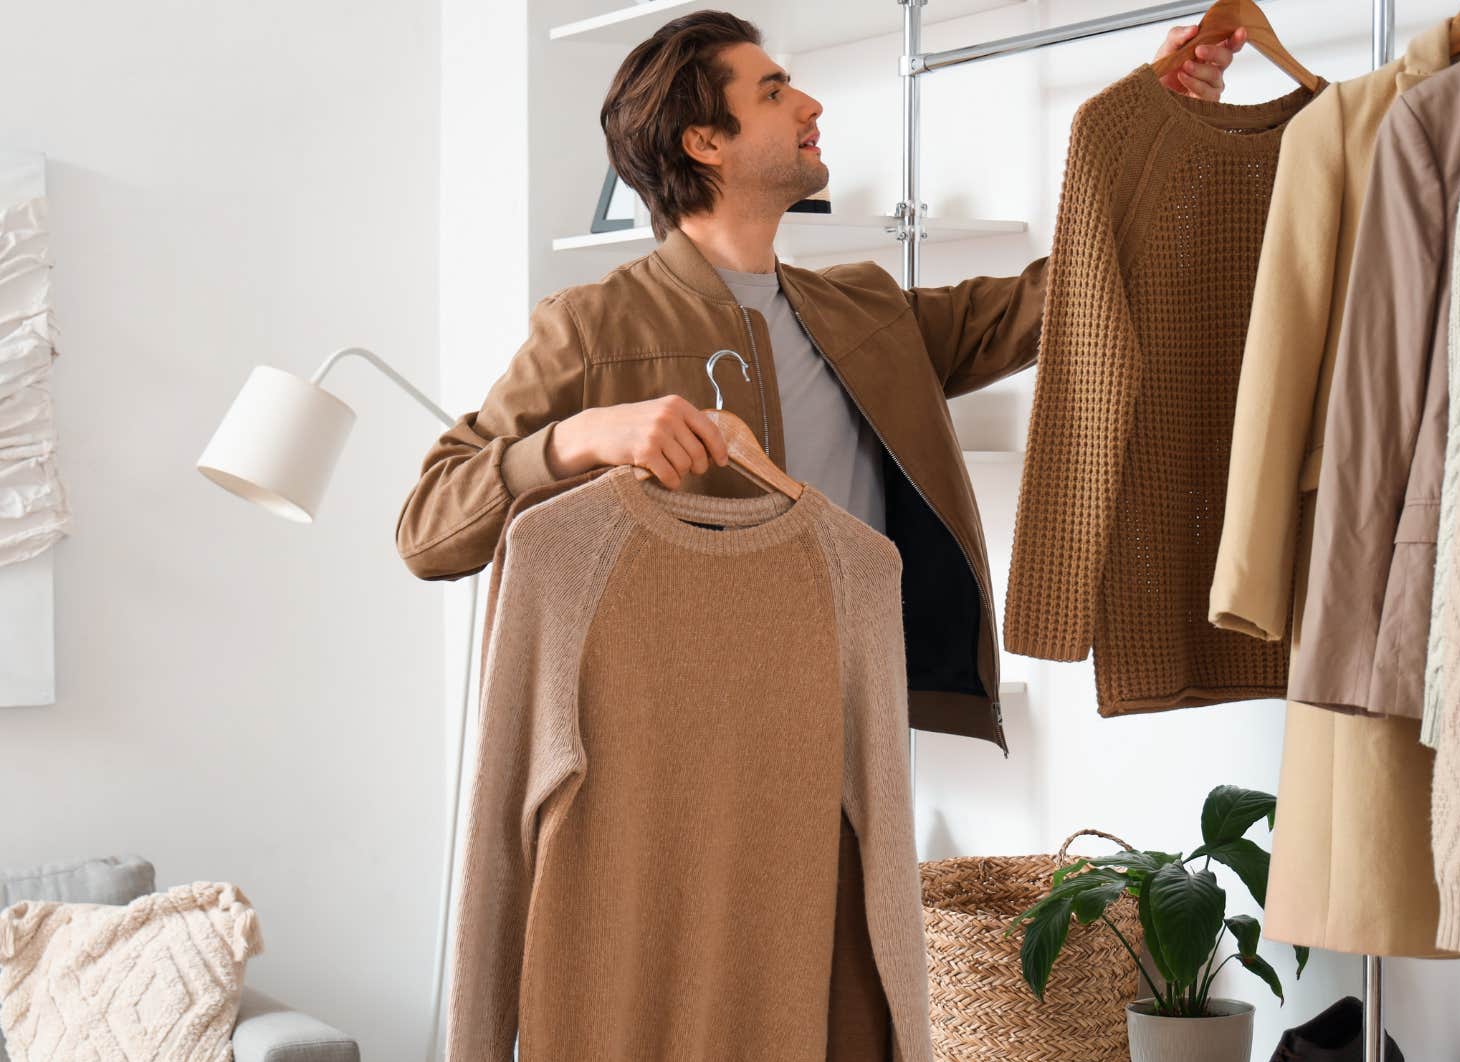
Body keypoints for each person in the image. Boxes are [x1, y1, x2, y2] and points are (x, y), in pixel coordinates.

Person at [395, 9, 1246, 755]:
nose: (811, 106)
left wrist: (1157, 129)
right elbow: (429, 530)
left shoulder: (863, 308)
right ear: (704, 141)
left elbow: (1068, 298)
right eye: (773, 92)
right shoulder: (590, 326)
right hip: (681, 747)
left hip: (859, 721)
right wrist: (579, 437)